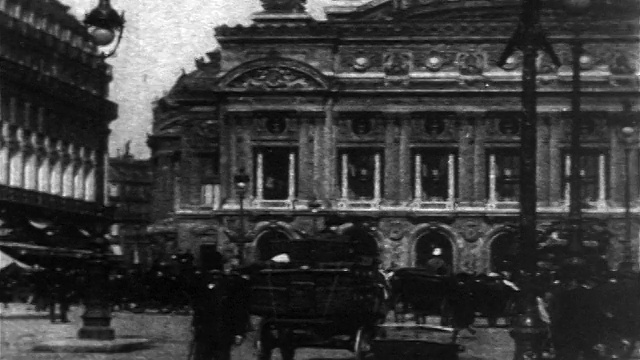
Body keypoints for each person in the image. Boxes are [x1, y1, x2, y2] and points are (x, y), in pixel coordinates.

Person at [190, 253, 250, 360]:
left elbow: (239, 308)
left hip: (219, 330)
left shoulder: (232, 283)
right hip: (210, 330)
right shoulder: (204, 283)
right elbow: (199, 307)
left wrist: (239, 331)